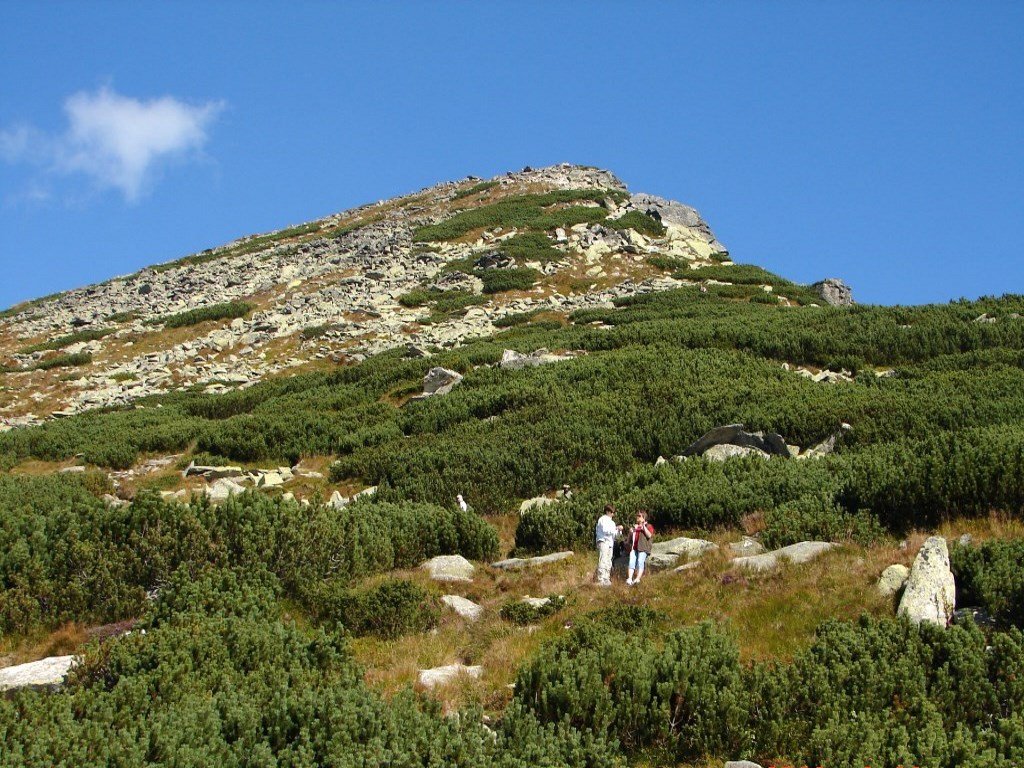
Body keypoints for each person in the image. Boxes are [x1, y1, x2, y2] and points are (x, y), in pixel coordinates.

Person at [594, 503, 622, 586]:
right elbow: (605, 530)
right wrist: (616, 528)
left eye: (613, 512)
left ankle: (606, 577)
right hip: (603, 541)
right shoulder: (602, 519)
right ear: (607, 511)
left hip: (610, 542)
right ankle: (601, 578)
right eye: (611, 512)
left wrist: (619, 531)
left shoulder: (612, 522)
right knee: (603, 559)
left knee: (608, 560)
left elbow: (615, 535)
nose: (612, 514)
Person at [626, 510, 654, 586]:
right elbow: (628, 541)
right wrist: (630, 532)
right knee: (631, 562)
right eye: (637, 516)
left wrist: (643, 527)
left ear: (644, 518)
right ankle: (629, 579)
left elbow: (649, 535)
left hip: (643, 548)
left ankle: (637, 578)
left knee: (640, 562)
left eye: (639, 516)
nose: (637, 517)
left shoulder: (649, 526)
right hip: (634, 548)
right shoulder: (634, 527)